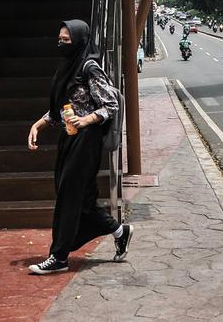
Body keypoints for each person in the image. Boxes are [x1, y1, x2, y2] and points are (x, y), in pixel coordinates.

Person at [27, 20, 132, 274]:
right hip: (68, 139)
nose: (61, 44)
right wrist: (39, 124)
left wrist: (85, 120)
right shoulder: (67, 66)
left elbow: (111, 104)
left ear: (79, 41)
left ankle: (59, 257)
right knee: (82, 200)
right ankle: (120, 231)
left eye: (66, 40)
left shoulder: (89, 67)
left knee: (69, 196)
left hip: (86, 141)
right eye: (60, 39)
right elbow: (62, 107)